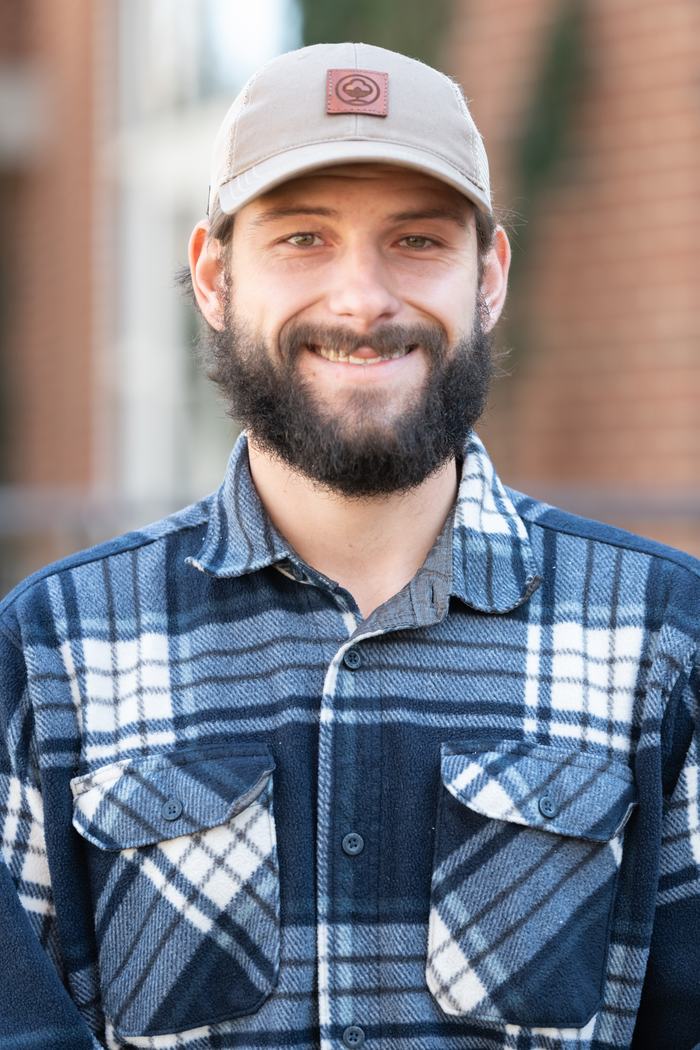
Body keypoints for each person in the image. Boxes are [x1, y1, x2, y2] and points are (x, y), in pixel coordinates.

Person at [0, 41, 697, 1050]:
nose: (362, 301)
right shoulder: (53, 650)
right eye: (303, 239)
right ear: (214, 277)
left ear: (488, 277)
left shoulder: (662, 640)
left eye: (416, 240)